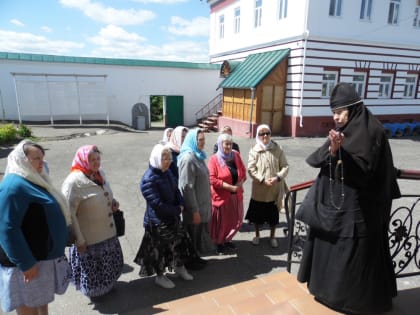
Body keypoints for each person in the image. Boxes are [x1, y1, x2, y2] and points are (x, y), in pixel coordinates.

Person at [296, 82, 401, 314]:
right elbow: (324, 158)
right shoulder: (347, 129)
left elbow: (364, 173)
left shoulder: (371, 131)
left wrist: (338, 152)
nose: (336, 118)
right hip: (339, 206)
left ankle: (351, 302)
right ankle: (327, 293)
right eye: (333, 113)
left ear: (353, 109)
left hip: (362, 210)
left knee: (354, 257)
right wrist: (333, 150)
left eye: (339, 112)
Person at [0, 140, 71, 315]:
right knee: (28, 306)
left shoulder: (34, 180)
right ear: (22, 160)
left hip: (40, 258)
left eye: (43, 158)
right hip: (26, 263)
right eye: (36, 158)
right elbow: (7, 228)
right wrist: (25, 263)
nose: (42, 163)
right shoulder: (13, 186)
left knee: (41, 302)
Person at [61, 145, 123, 301]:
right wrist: (79, 239)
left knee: (108, 265)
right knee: (93, 271)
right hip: (89, 239)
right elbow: (69, 214)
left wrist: (112, 202)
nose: (96, 163)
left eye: (98, 159)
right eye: (92, 160)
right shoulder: (73, 182)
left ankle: (108, 287)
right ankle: (96, 296)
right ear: (83, 160)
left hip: (107, 232)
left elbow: (105, 193)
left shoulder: (99, 174)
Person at [134, 144, 198, 289]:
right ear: (157, 158)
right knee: (160, 250)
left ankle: (180, 267)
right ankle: (160, 276)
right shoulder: (148, 179)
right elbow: (157, 204)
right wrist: (177, 209)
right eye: (164, 158)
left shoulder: (167, 172)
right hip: (158, 221)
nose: (168, 161)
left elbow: (176, 191)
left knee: (179, 243)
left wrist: (181, 203)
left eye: (169, 158)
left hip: (173, 216)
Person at [245, 124, 289, 248]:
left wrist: (278, 177)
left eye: (267, 133)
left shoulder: (277, 148)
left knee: (273, 217)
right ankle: (257, 235)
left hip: (274, 189)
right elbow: (251, 169)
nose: (265, 136)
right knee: (257, 216)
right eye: (262, 134)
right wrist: (262, 180)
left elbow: (285, 166)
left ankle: (273, 236)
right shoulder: (254, 150)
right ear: (258, 136)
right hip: (259, 190)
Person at [177, 129, 211, 268]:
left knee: (197, 234)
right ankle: (189, 262)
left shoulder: (199, 156)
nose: (202, 143)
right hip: (194, 208)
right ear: (192, 140)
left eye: (203, 139)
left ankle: (195, 257)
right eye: (200, 140)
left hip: (202, 204)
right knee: (191, 233)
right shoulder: (188, 159)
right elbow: (186, 187)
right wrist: (194, 211)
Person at [208, 133, 247, 255]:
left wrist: (240, 183)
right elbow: (212, 179)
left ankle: (227, 239)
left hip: (236, 194)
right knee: (222, 221)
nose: (229, 146)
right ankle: (219, 243)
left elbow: (243, 171)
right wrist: (230, 187)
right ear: (220, 144)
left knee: (235, 219)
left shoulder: (235, 155)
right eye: (226, 144)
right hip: (222, 196)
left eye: (230, 144)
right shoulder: (214, 159)